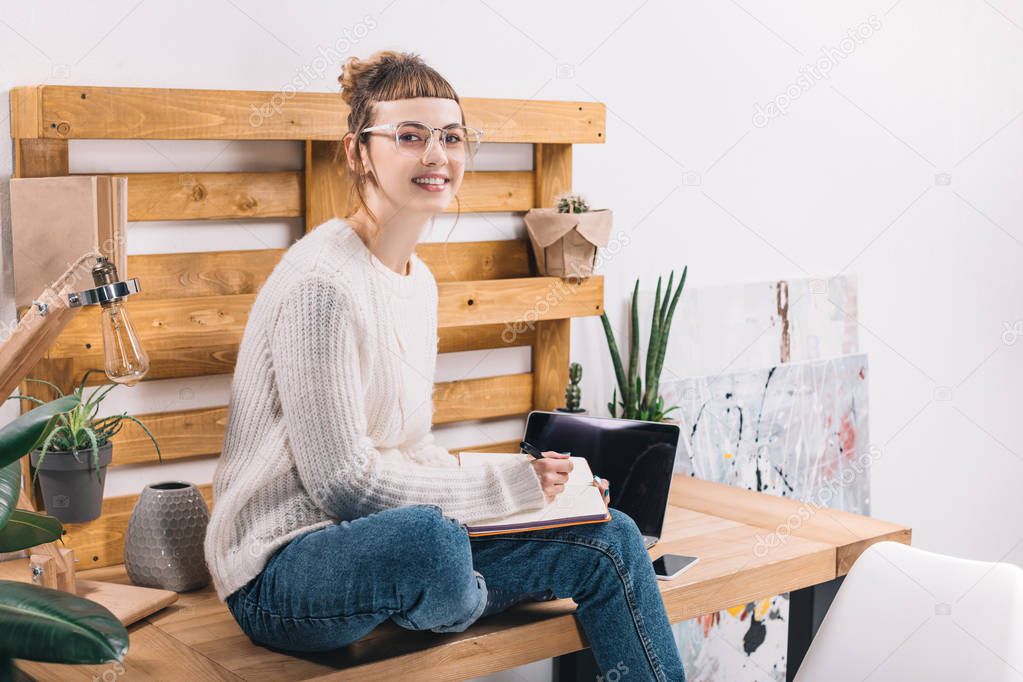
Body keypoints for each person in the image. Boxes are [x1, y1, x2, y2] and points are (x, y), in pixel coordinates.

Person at [203, 50, 685, 681]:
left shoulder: (418, 281)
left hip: (390, 551)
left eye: (451, 137)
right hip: (284, 573)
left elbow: (408, 447)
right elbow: (344, 485)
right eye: (409, 136)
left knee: (612, 537)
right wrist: (502, 493)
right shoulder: (319, 285)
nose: (437, 155)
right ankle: (448, 590)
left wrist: (537, 494)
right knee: (431, 545)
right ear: (357, 153)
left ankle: (448, 594)